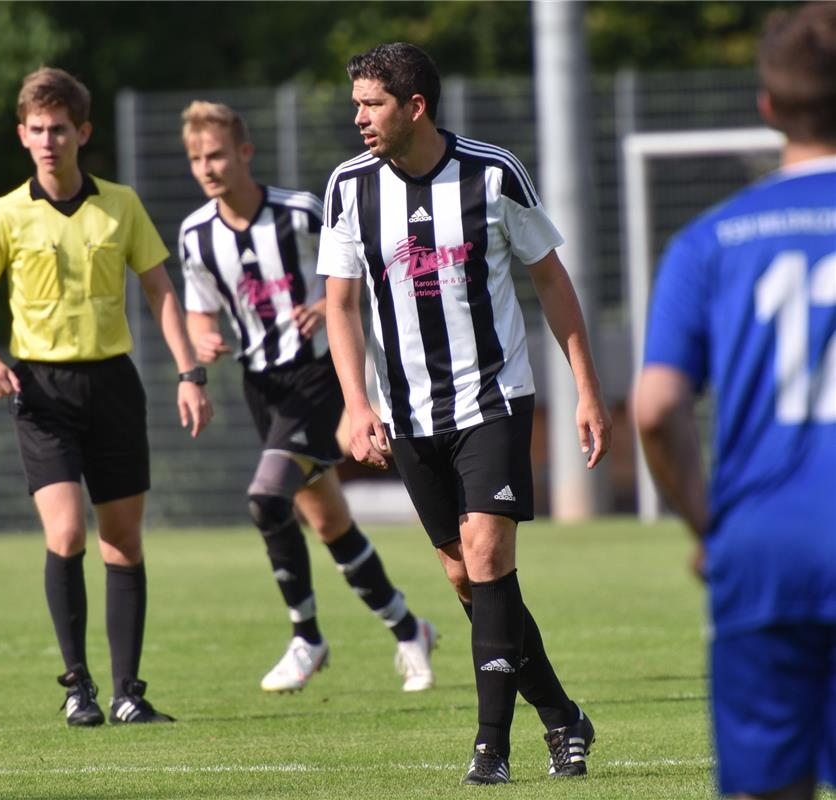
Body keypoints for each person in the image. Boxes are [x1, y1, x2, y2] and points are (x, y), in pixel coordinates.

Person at [317, 42, 611, 785]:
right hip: (411, 415)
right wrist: (356, 405)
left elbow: (551, 282)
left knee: (488, 559)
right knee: (465, 579)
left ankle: (491, 748)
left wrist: (587, 389)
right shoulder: (349, 188)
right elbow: (341, 305)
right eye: (356, 103)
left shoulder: (492, 172)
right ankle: (563, 716)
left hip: (495, 399)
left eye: (372, 103)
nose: (359, 118)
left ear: (415, 106)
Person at [0, 67, 213, 727]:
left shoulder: (120, 205)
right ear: (23, 134)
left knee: (122, 541)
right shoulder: (4, 214)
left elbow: (159, 290)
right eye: (37, 130)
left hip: (113, 386)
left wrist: (190, 372)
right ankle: (78, 687)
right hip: (40, 388)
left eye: (60, 129)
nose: (49, 141)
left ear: (82, 132)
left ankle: (129, 692)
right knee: (67, 531)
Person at [635, 4, 836, 798]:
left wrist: (708, 526)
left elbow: (653, 409)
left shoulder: (710, 242)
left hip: (761, 551)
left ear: (768, 107)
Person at [177, 100, 437, 694]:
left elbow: (360, 277)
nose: (207, 167)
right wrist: (203, 340)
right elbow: (198, 313)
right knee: (329, 523)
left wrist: (325, 306)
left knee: (267, 499)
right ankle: (408, 630)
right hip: (261, 387)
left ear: (244, 152)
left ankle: (307, 637)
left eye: (216, 154)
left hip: (317, 380)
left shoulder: (299, 213)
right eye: (196, 159)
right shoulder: (196, 235)